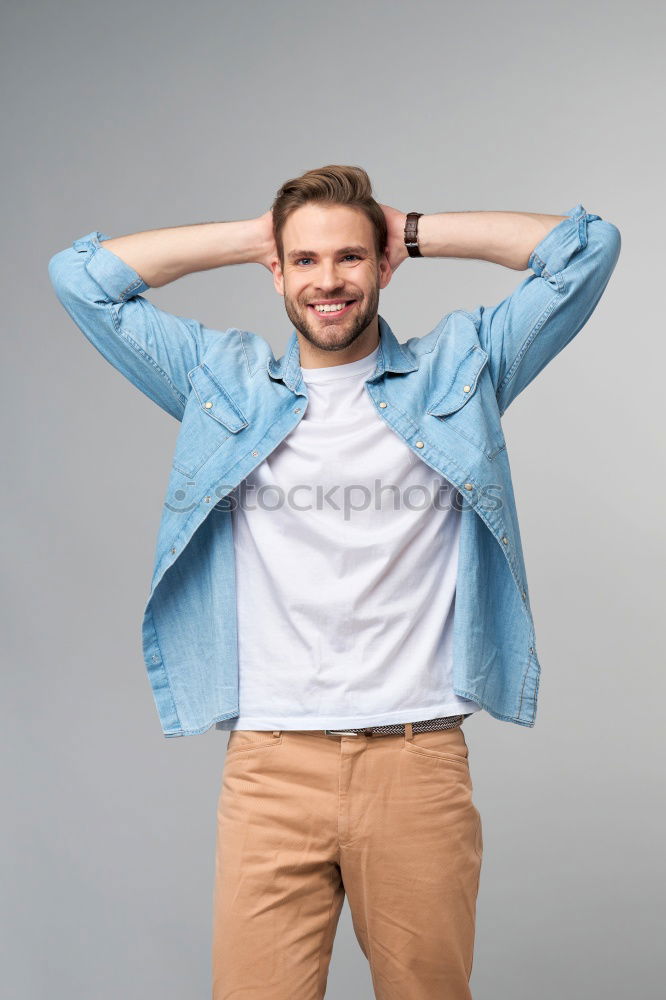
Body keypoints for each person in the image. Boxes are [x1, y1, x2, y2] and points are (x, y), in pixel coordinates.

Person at [48, 165, 621, 999]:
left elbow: (586, 250)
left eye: (350, 258)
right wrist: (255, 236)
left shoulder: (458, 373)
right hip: (271, 764)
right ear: (277, 271)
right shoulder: (224, 380)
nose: (329, 282)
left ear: (383, 266)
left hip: (415, 761)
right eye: (304, 261)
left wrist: (414, 229)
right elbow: (82, 280)